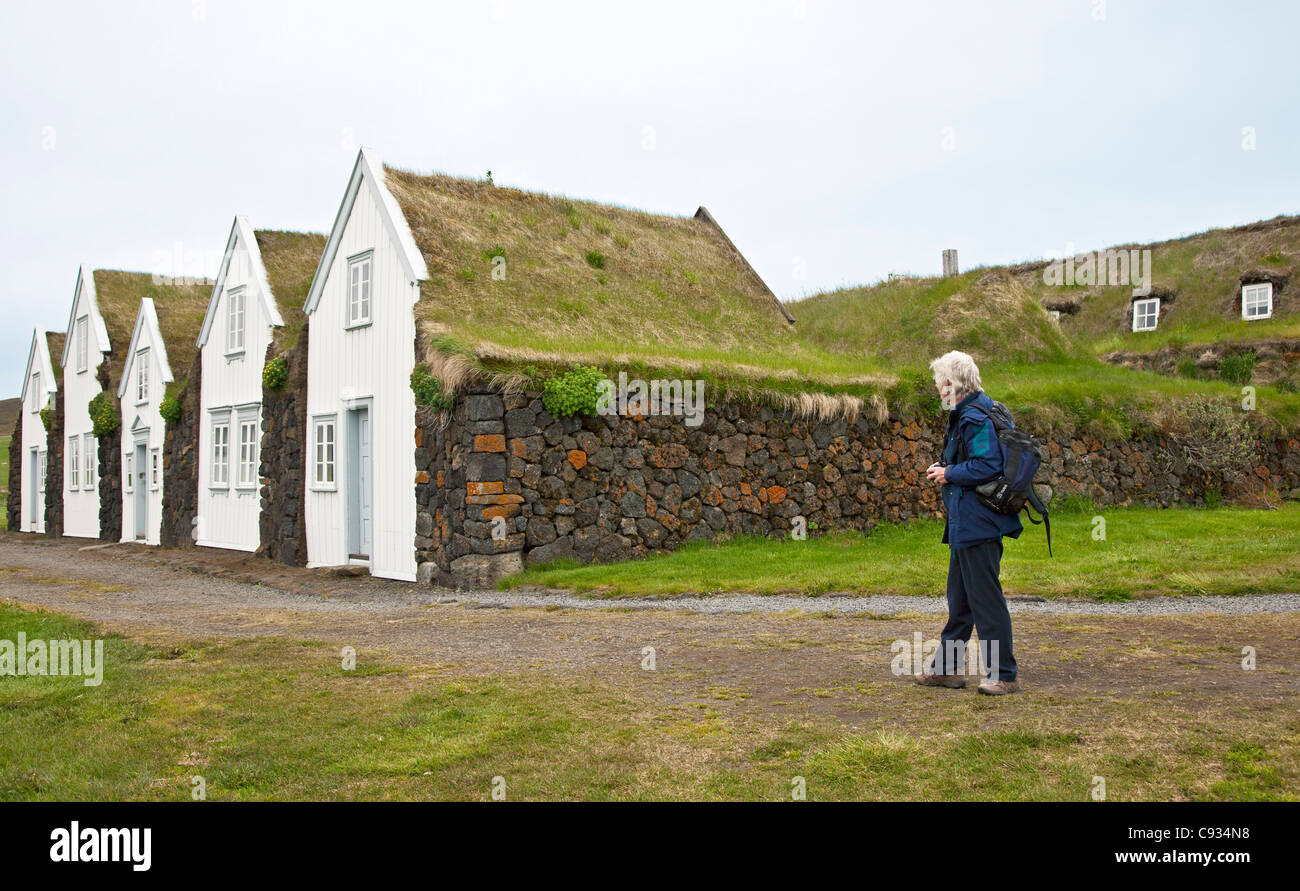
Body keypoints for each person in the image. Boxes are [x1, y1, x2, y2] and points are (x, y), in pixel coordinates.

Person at [917, 351, 1022, 695]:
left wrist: (948, 473)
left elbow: (987, 465)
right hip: (967, 524)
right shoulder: (977, 411)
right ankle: (946, 670)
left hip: (979, 524)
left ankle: (1003, 674)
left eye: (939, 383)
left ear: (951, 384)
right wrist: (950, 470)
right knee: (960, 601)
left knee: (986, 600)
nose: (937, 390)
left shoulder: (973, 417)